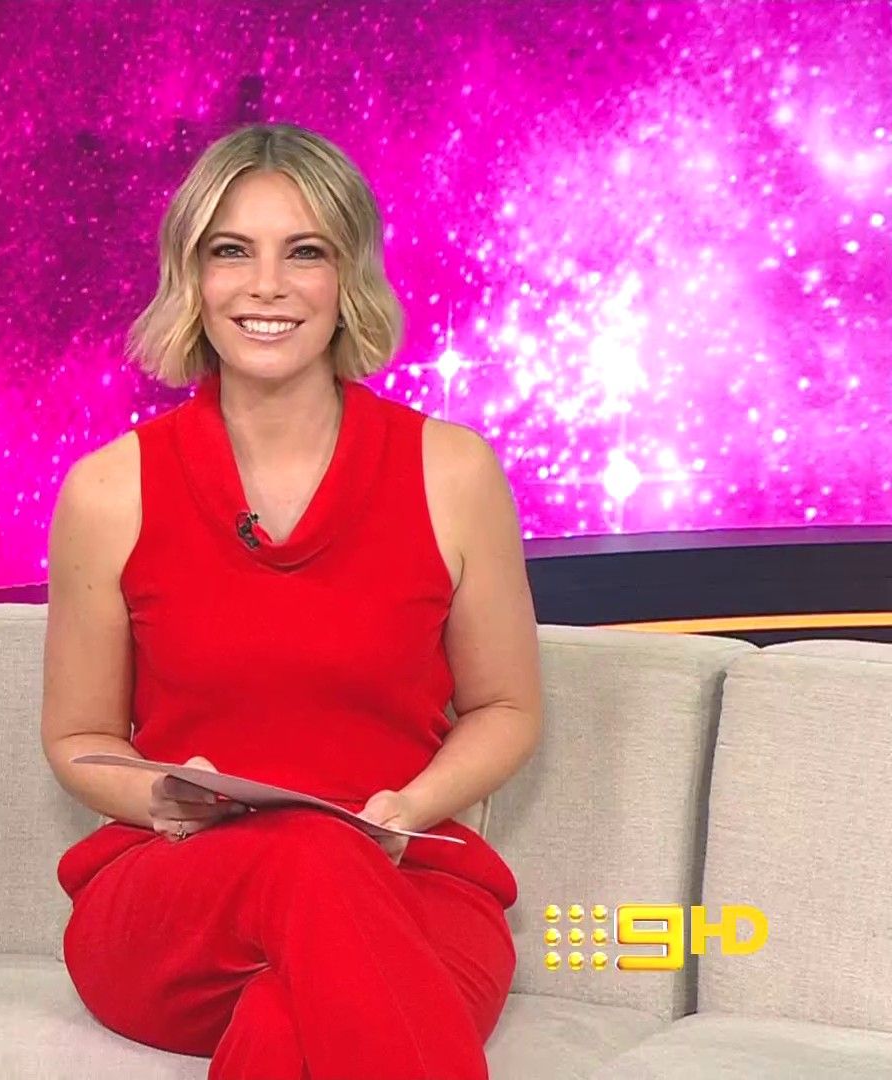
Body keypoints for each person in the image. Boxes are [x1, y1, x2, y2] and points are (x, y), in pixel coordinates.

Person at [40, 123, 542, 1080]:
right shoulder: (109, 491)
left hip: (411, 883)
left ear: (348, 276)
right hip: (178, 901)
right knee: (308, 851)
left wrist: (409, 808)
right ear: (192, 277)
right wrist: (160, 796)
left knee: (288, 1023)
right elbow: (78, 737)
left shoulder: (453, 472)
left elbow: (507, 706)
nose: (266, 285)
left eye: (304, 252)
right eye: (232, 251)